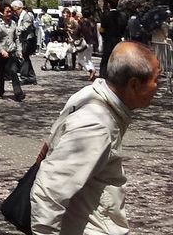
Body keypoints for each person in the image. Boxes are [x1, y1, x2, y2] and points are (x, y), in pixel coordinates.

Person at [29, 42, 161, 235]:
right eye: (157, 79)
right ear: (134, 84)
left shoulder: (91, 94)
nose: (158, 87)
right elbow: (49, 192)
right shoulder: (96, 124)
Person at [0, 3, 26, 101]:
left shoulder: (13, 23)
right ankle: (0, 92)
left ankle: (18, 93)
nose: (9, 13)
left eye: (10, 11)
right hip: (0, 52)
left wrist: (19, 50)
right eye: (7, 11)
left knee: (13, 71)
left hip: (11, 51)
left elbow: (17, 38)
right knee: (1, 73)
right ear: (2, 13)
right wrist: (2, 50)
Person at [98, 0, 125, 78]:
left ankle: (103, 76)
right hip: (118, 40)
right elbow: (124, 27)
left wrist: (104, 36)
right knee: (119, 59)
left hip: (108, 40)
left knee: (106, 59)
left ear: (109, 4)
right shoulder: (123, 15)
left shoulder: (105, 15)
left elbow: (101, 29)